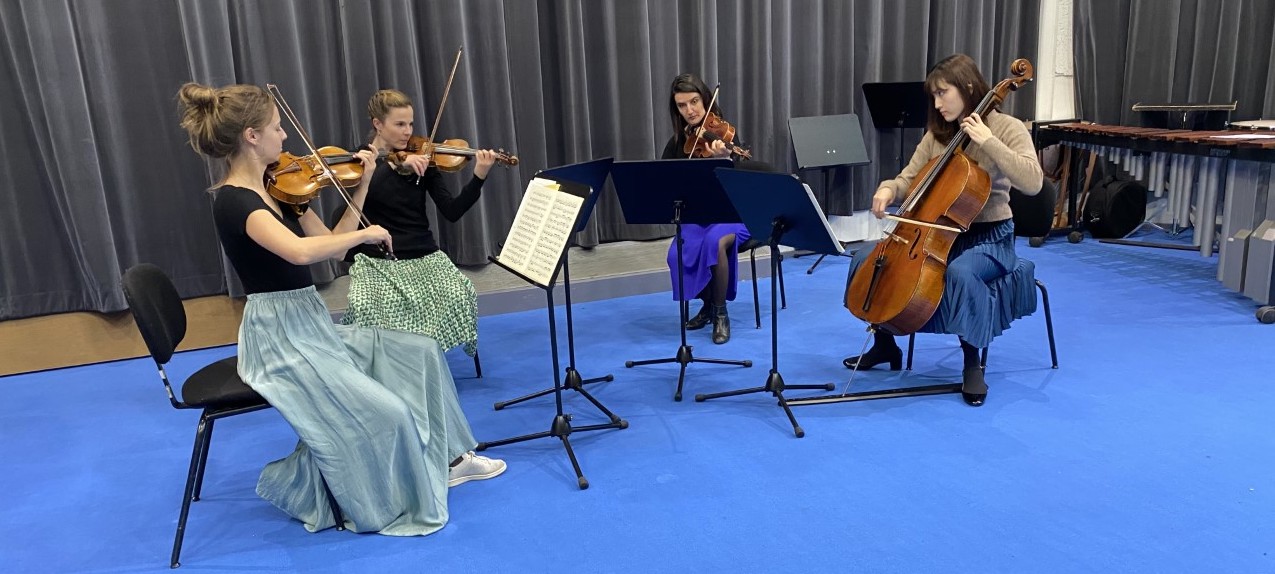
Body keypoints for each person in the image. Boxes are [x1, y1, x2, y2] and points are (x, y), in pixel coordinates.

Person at [176, 82, 505, 536]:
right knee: (388, 413)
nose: (285, 137)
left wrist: (365, 182)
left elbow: (329, 243)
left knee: (420, 352)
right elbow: (298, 252)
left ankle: (450, 459)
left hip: (310, 323)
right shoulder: (235, 201)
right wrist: (365, 237)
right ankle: (382, 498)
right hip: (280, 338)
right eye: (276, 128)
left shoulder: (280, 189)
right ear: (252, 136)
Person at [841, 54, 1043, 407]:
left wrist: (989, 140)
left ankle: (971, 362)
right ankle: (884, 345)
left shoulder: (1009, 128)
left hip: (990, 238)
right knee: (866, 257)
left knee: (961, 273)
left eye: (942, 93)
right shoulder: (938, 135)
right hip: (940, 234)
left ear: (967, 88)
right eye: (932, 95)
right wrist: (888, 189)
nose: (936, 103)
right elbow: (909, 176)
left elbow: (1034, 182)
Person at [337, 89, 499, 358]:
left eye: (410, 124)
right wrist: (393, 163)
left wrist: (479, 177)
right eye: (399, 124)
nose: (407, 132)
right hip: (378, 259)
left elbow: (452, 211)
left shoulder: (424, 159)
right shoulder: (361, 161)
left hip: (423, 253)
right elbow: (353, 208)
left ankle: (423, 357)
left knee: (460, 292)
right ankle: (388, 359)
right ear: (378, 124)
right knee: (369, 304)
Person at [662, 72, 752, 345]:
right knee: (677, 251)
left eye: (694, 102)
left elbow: (752, 176)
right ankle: (707, 304)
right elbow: (664, 180)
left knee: (714, 243)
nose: (689, 110)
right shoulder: (678, 143)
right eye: (681, 105)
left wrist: (727, 159)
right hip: (699, 216)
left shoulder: (724, 134)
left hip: (734, 214)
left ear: (705, 101)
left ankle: (721, 312)